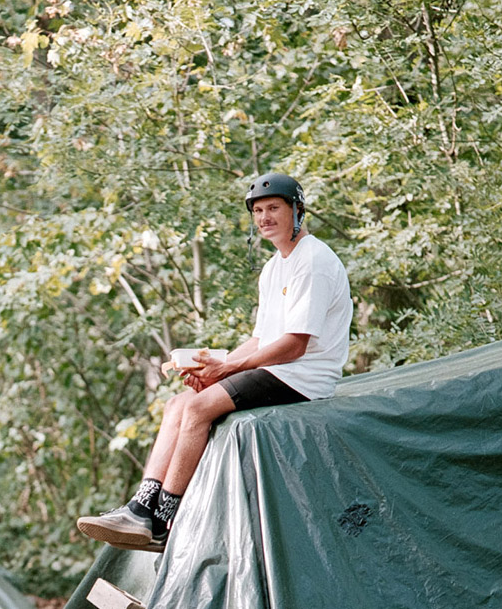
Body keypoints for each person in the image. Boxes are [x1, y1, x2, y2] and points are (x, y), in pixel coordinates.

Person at [77, 172, 353, 551]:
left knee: (199, 409)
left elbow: (294, 345)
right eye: (258, 211)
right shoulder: (275, 267)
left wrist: (228, 370)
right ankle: (141, 508)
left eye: (274, 208)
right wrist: (210, 365)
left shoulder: (314, 261)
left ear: (297, 210)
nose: (264, 218)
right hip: (276, 368)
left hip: (303, 376)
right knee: (178, 403)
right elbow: (261, 338)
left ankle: (161, 521)